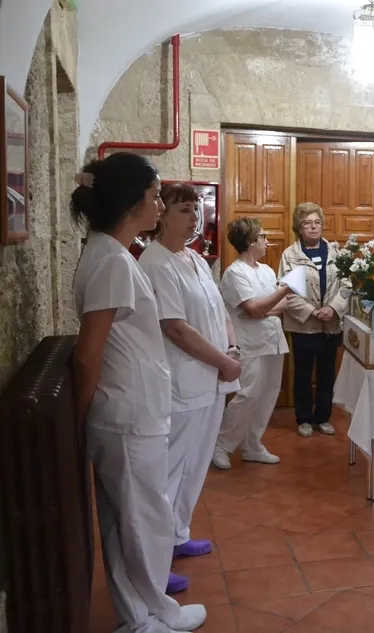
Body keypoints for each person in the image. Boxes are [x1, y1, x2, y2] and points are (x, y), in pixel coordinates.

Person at [71, 152, 206, 633]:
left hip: (133, 410)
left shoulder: (113, 253)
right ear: (133, 202)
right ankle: (147, 617)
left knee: (129, 519)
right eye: (153, 197)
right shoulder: (111, 259)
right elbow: (89, 353)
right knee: (141, 522)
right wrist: (78, 419)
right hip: (126, 414)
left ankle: (147, 612)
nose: (158, 205)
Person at [139, 182, 241, 595]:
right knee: (168, 473)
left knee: (195, 467)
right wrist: (223, 362)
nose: (194, 216)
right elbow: (175, 328)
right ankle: (154, 559)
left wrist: (230, 348)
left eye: (196, 208)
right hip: (183, 384)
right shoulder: (155, 261)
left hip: (211, 382)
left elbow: (218, 310)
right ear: (161, 215)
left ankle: (178, 534)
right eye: (184, 209)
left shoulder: (196, 259)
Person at [213, 217, 296, 469]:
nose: (267, 242)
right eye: (262, 237)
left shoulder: (267, 271)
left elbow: (280, 307)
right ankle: (222, 445)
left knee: (268, 394)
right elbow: (253, 307)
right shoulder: (235, 273)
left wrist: (264, 308)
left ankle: (252, 444)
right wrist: (283, 291)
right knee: (246, 395)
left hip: (272, 341)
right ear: (250, 242)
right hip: (249, 344)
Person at [278, 202, 349, 438]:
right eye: (307, 223)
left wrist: (333, 308)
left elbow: (347, 285)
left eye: (317, 222)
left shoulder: (336, 252)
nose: (313, 227)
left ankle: (323, 417)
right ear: (299, 228)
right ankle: (304, 418)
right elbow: (286, 290)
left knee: (328, 373)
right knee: (303, 374)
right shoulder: (290, 254)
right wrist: (312, 311)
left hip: (331, 324)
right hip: (304, 326)